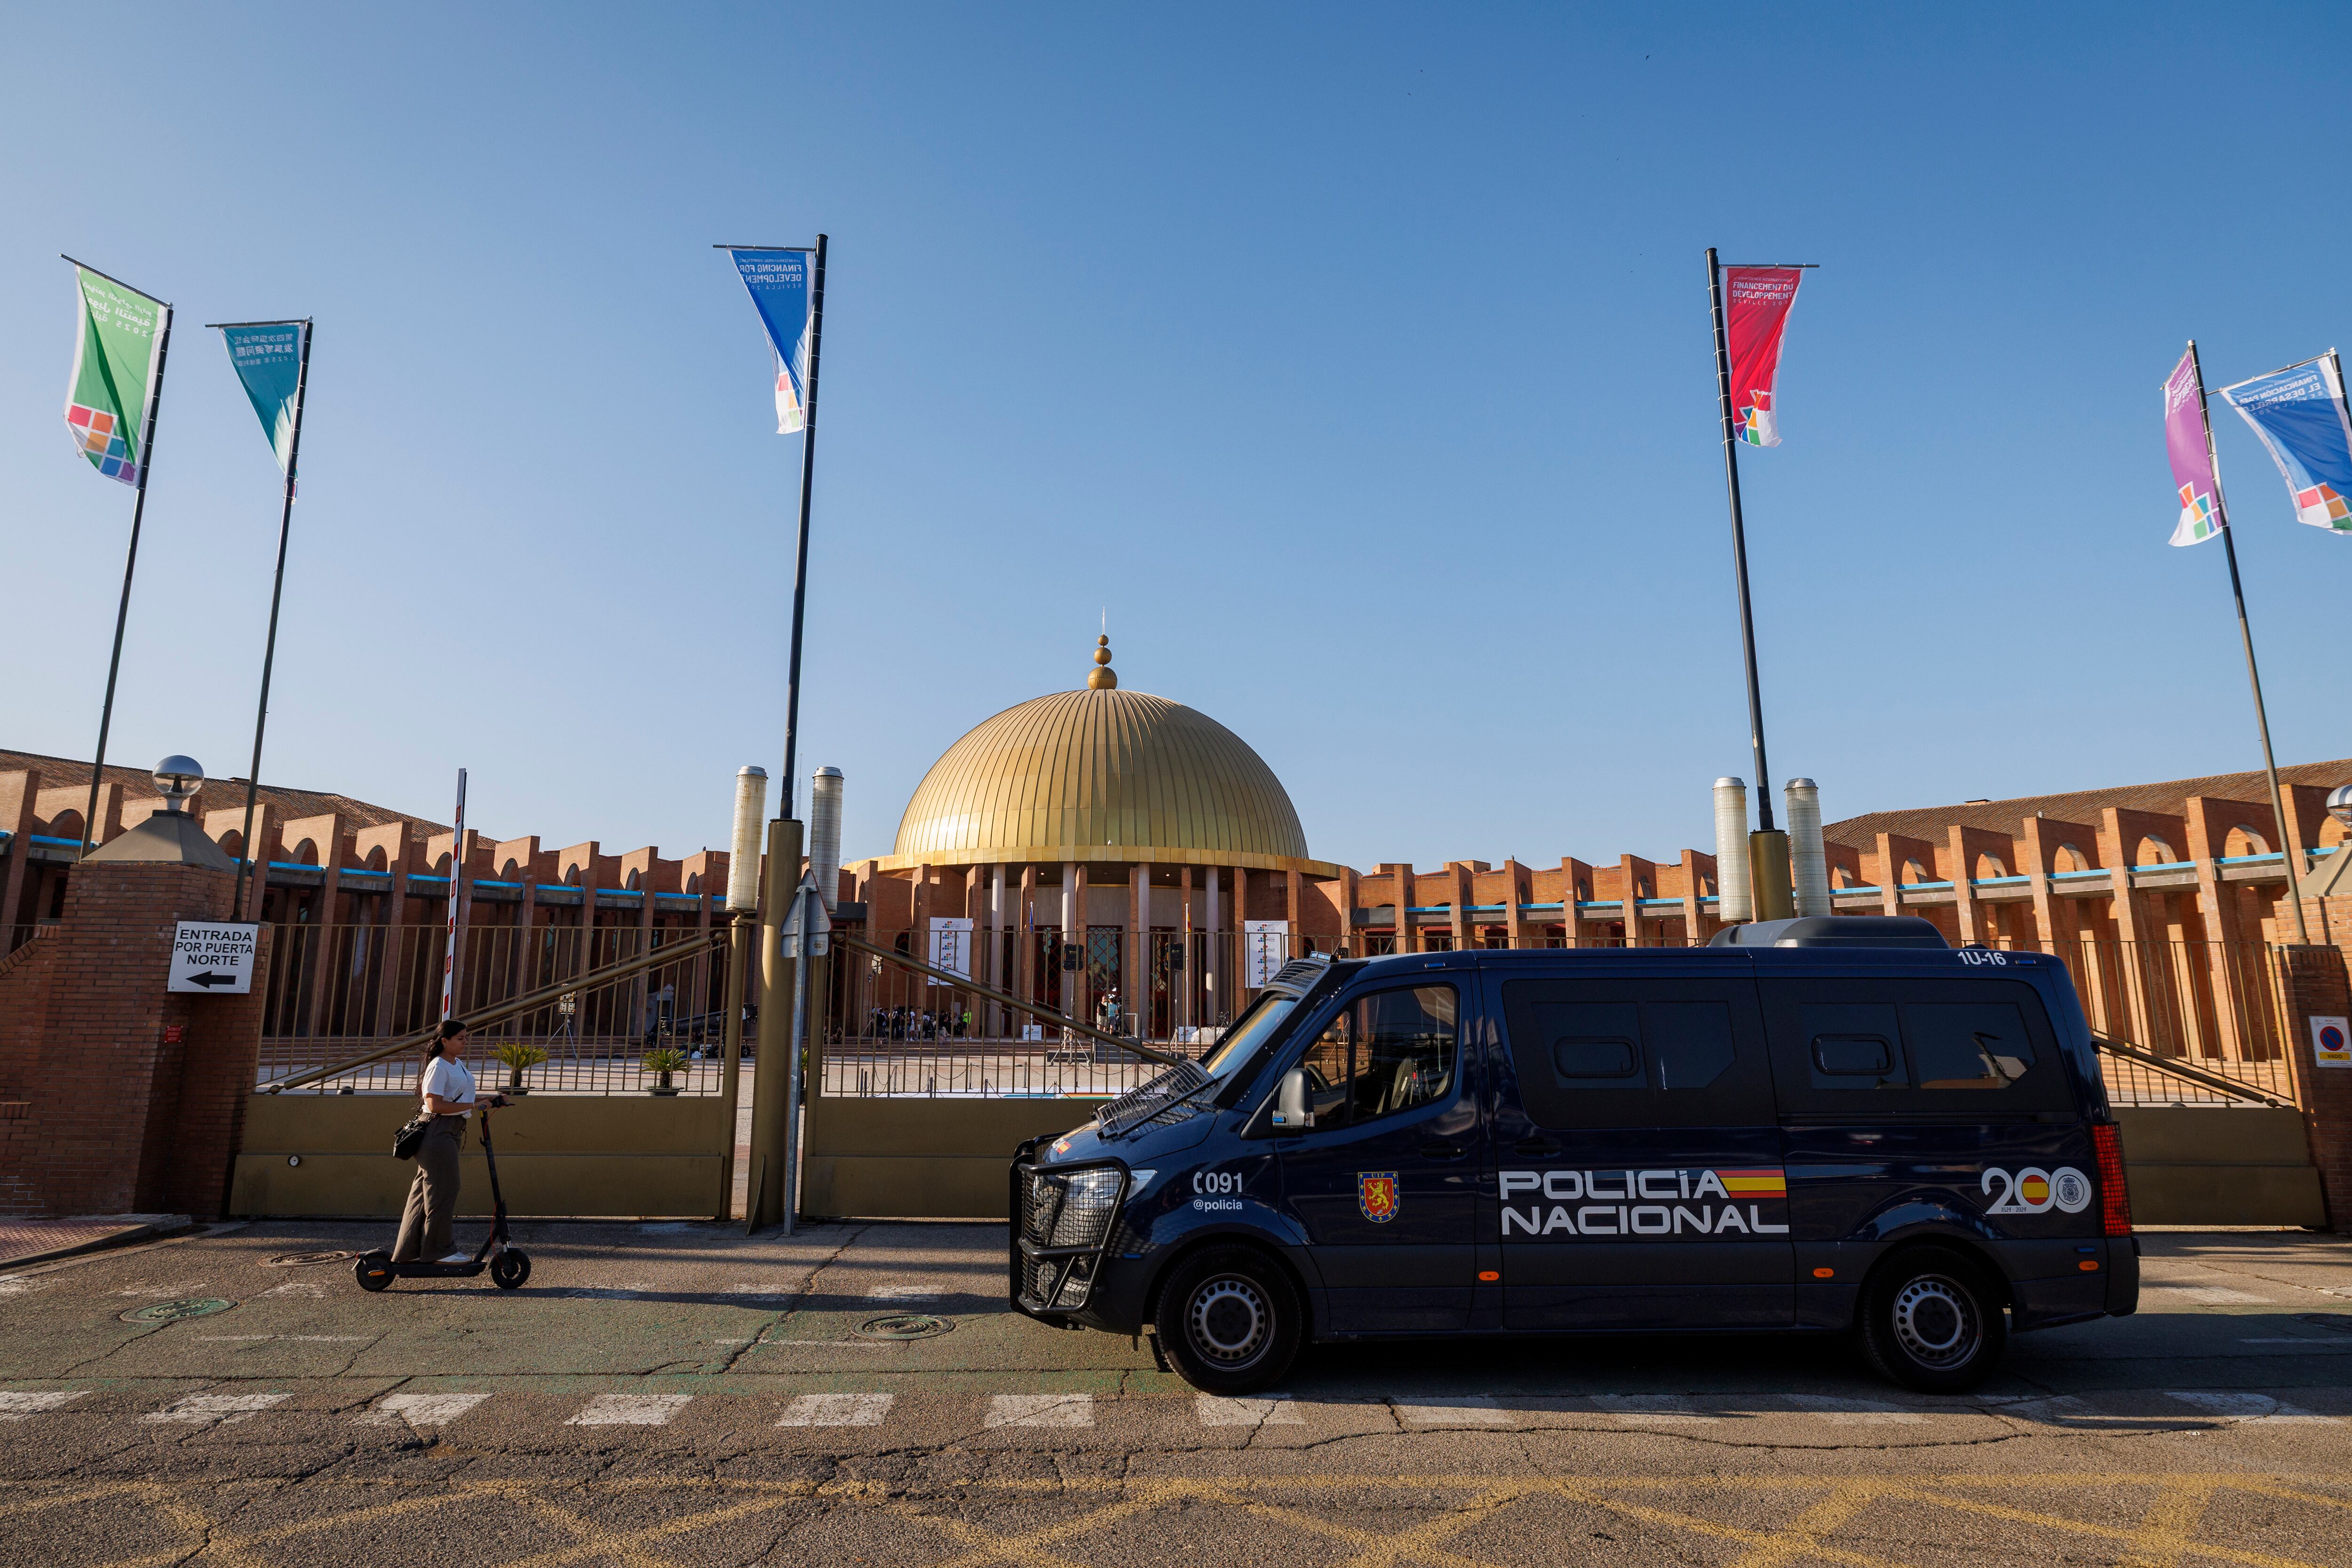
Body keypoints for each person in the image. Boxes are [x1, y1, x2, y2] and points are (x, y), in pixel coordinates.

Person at [392, 1018, 503, 1265]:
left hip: (451, 1131)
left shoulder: (457, 1064)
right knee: (444, 1191)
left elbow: (460, 1099)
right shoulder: (438, 1066)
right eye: (460, 1038)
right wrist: (474, 1105)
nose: (465, 1042)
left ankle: (409, 1252)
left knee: (423, 1195)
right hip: (438, 1132)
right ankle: (439, 1251)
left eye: (466, 1037)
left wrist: (491, 1099)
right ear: (445, 1041)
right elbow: (434, 1105)